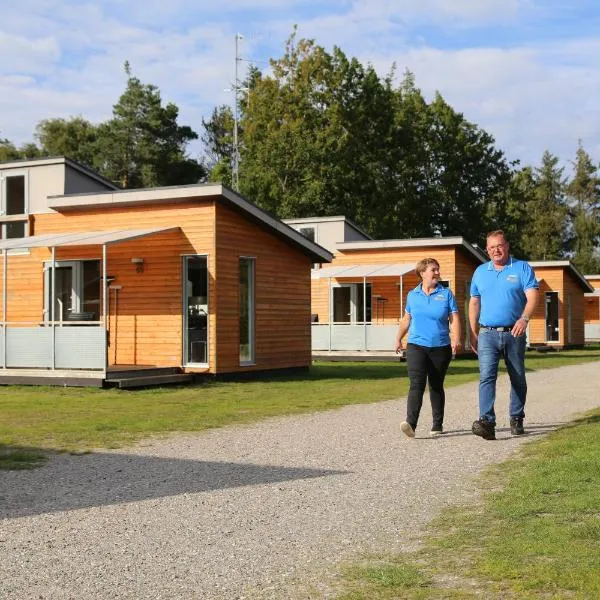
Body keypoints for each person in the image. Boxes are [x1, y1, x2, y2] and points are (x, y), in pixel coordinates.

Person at [468, 230, 539, 440]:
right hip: (487, 334)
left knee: (517, 377)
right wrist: (472, 332)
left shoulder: (521, 268)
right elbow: (474, 302)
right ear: (487, 250)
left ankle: (516, 417)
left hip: (514, 333)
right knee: (486, 377)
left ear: (507, 246)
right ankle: (487, 422)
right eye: (491, 247)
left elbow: (533, 295)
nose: (495, 250)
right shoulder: (480, 271)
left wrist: (524, 318)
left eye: (499, 246)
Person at [395, 258, 461, 438]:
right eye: (434, 270)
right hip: (416, 345)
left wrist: (456, 338)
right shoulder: (412, 295)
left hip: (440, 347)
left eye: (438, 270)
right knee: (416, 383)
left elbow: (453, 318)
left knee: (436, 385)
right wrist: (398, 338)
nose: (437, 273)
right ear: (422, 273)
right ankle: (411, 424)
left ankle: (437, 424)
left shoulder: (446, 294)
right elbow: (406, 319)